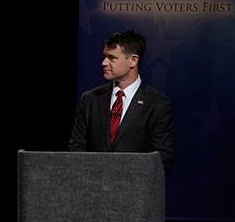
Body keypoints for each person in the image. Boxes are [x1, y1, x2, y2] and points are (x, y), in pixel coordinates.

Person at [68, 29, 175, 170]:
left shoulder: (158, 105)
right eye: (105, 56)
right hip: (92, 187)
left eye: (112, 58)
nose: (104, 63)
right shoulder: (90, 99)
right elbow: (76, 148)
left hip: (134, 189)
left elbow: (161, 159)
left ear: (133, 61)